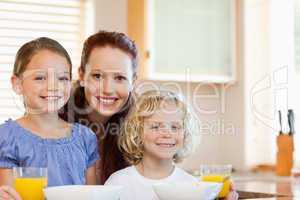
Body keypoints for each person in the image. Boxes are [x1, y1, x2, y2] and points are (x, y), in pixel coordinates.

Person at [0, 37, 99, 199]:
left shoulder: (85, 138)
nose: (53, 86)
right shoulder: (7, 137)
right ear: (17, 84)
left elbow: (94, 195)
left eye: (62, 78)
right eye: (40, 78)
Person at [105, 90, 239, 200]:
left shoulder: (192, 186)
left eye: (175, 127)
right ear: (137, 132)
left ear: (185, 133)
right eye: (156, 126)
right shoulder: (119, 183)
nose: (167, 134)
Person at [60, 30, 138, 184]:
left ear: (133, 81)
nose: (108, 89)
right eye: (97, 76)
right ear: (82, 76)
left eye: (120, 78)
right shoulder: (54, 119)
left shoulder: (140, 126)